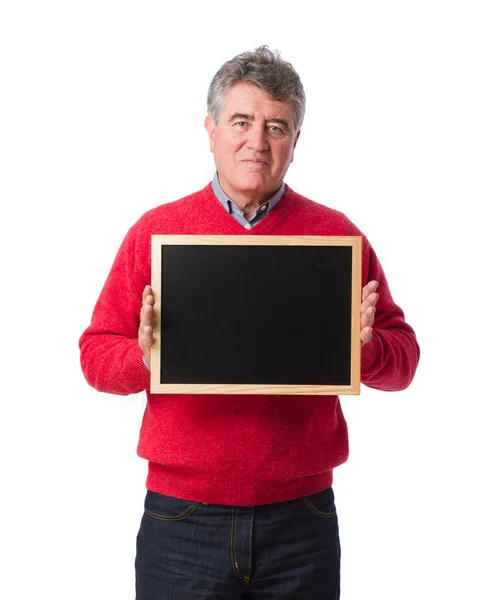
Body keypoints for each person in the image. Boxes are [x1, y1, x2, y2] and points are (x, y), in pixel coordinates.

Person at [79, 45, 420, 599]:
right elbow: (95, 356)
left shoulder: (336, 238)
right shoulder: (156, 232)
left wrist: (365, 349)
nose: (257, 142)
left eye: (276, 127)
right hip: (181, 520)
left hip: (301, 520)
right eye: (241, 122)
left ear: (295, 141)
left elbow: (403, 360)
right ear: (211, 129)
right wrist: (142, 355)